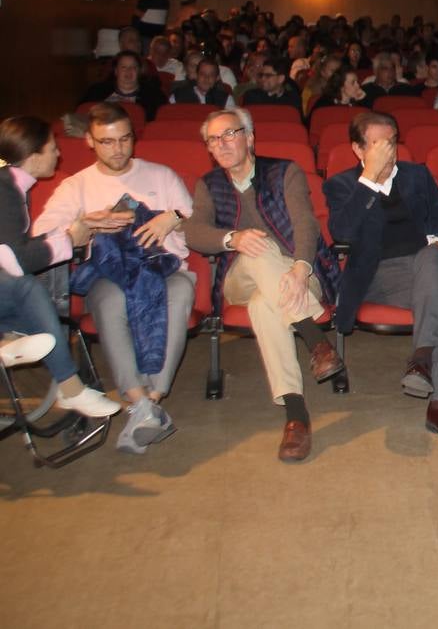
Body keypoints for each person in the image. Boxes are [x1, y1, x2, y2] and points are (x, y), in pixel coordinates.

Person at [32, 103, 195, 453]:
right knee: (112, 300)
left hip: (163, 269)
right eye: (107, 142)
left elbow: (196, 217)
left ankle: (148, 401)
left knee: (180, 292)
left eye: (124, 139)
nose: (118, 149)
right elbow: (41, 232)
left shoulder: (161, 175)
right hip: (110, 276)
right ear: (90, 141)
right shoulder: (77, 186)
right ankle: (141, 401)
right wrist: (86, 224)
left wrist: (175, 217)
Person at [183, 109, 344, 461]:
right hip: (239, 276)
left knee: (262, 305)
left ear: (250, 137)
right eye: (213, 139)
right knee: (257, 247)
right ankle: (316, 341)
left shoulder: (284, 172)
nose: (222, 144)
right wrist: (232, 238)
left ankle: (296, 417)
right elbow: (193, 231)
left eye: (229, 134)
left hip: (297, 278)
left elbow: (306, 224)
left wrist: (301, 269)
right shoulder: (209, 185)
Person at [323, 111, 438, 446]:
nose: (389, 151)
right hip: (378, 275)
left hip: (426, 266)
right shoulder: (342, 185)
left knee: (433, 262)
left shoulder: (417, 175)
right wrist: (368, 179)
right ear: (358, 149)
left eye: (393, 142)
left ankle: (426, 364)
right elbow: (342, 231)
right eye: (379, 144)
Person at [0, 117, 122, 418]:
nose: (59, 154)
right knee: (25, 286)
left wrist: (69, 234)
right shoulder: (5, 190)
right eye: (53, 148)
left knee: (24, 289)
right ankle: (69, 388)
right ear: (32, 157)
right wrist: (68, 238)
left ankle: (8, 340)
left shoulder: (11, 183)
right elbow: (15, 259)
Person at [80, 49, 166, 119]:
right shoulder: (95, 91)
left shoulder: (155, 95)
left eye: (133, 67)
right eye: (123, 67)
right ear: (116, 71)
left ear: (139, 71)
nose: (128, 71)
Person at [170, 56, 235, 108]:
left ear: (217, 78)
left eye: (211, 75)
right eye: (202, 74)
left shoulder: (226, 99)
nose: (206, 78)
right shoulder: (177, 96)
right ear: (197, 75)